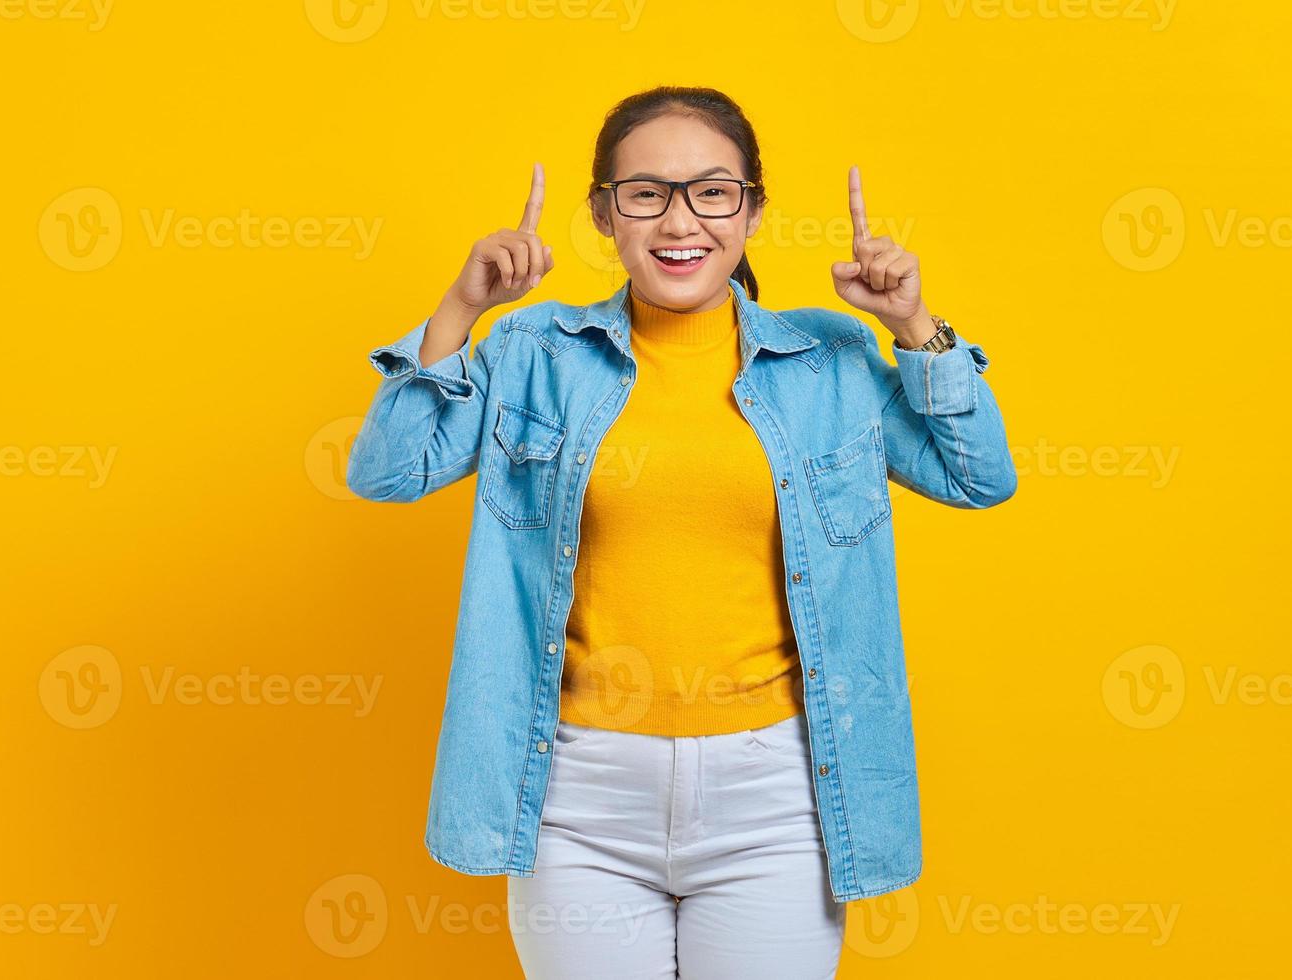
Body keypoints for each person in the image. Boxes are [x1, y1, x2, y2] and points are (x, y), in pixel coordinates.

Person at [346, 85, 1016, 979]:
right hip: (579, 797)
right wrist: (459, 312)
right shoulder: (534, 354)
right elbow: (386, 471)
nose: (679, 218)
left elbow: (978, 478)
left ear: (751, 212)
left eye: (712, 191)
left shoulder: (832, 361)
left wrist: (914, 328)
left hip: (777, 798)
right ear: (604, 215)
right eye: (646, 193)